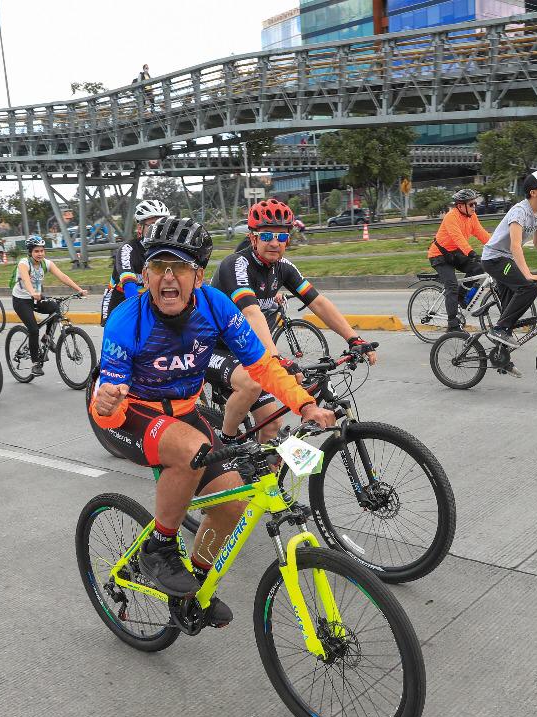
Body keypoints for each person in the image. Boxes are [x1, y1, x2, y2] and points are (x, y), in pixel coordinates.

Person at [91, 217, 333, 622]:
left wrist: (305, 406)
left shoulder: (215, 306)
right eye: (158, 267)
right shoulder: (126, 320)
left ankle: (192, 592)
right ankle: (160, 546)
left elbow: (263, 366)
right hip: (131, 414)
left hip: (184, 411)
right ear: (146, 274)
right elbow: (109, 404)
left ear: (199, 275)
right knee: (190, 452)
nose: (169, 278)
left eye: (180, 268)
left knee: (233, 502)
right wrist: (106, 403)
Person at [208, 198, 373, 443]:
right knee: (253, 383)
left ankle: (266, 477)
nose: (274, 243)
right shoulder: (236, 264)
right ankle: (228, 443)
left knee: (273, 424)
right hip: (212, 347)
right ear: (253, 237)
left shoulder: (283, 266)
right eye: (266, 236)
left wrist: (353, 337)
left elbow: (317, 302)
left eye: (282, 236)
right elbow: (252, 313)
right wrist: (276, 358)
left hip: (245, 350)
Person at [479, 170, 537, 378]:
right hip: (494, 259)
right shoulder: (519, 212)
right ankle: (499, 329)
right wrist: (528, 275)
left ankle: (501, 358)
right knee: (529, 287)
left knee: (510, 310)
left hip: (506, 259)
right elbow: (516, 246)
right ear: (533, 192)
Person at [12, 235, 89, 377]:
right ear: (30, 252)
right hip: (21, 300)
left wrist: (79, 289)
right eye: (36, 251)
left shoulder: (46, 263)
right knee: (33, 329)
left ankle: (47, 337)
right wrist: (32, 292)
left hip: (37, 297)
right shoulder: (24, 263)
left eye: (42, 250)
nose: (40, 253)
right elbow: (26, 279)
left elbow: (63, 276)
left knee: (55, 308)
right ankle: (35, 364)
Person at [429, 188, 491, 331]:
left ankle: (461, 297)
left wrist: (498, 246)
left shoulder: (471, 217)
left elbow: (481, 233)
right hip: (439, 256)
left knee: (479, 267)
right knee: (451, 286)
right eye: (471, 204)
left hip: (454, 253)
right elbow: (458, 238)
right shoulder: (451, 217)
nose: (474, 207)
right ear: (460, 205)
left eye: (475, 203)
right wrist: (471, 253)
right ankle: (452, 324)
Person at [100, 199, 171, 324]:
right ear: (140, 228)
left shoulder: (166, 250)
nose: (159, 229)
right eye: (153, 224)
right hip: (118, 304)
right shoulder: (127, 249)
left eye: (163, 224)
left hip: (147, 301)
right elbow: (129, 286)